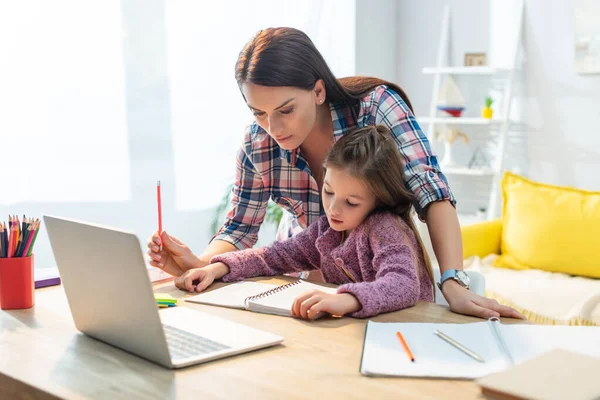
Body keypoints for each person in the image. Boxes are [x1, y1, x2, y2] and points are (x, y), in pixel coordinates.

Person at [147, 27, 523, 320]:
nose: (273, 127)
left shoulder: (376, 109)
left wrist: (452, 282)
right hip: (308, 289)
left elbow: (431, 193)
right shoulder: (259, 146)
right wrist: (207, 266)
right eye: (258, 113)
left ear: (319, 91)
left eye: (285, 109)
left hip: (376, 290)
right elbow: (243, 233)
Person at [174, 125, 434, 319]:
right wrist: (217, 268)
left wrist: (346, 299)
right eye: (329, 191)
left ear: (379, 200)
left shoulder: (385, 228)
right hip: (362, 332)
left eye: (351, 202)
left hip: (408, 332)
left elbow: (403, 285)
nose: (333, 208)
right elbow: (275, 256)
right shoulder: (326, 231)